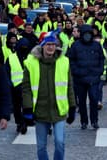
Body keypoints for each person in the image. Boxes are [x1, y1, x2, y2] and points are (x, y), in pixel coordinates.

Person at [22, 31, 76, 160]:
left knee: (59, 143)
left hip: (59, 111)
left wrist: (72, 106)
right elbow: (26, 88)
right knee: (41, 146)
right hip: (40, 111)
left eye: (53, 44)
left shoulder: (64, 62)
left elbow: (69, 86)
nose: (51, 47)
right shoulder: (31, 62)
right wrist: (28, 109)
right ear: (42, 46)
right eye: (48, 44)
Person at [67, 24, 104, 130]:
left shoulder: (97, 46)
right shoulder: (75, 45)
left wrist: (99, 71)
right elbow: (71, 60)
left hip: (93, 77)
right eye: (85, 34)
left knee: (93, 100)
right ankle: (84, 121)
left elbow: (102, 59)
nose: (87, 36)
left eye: (89, 34)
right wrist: (76, 71)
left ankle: (94, 121)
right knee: (82, 102)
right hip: (80, 78)